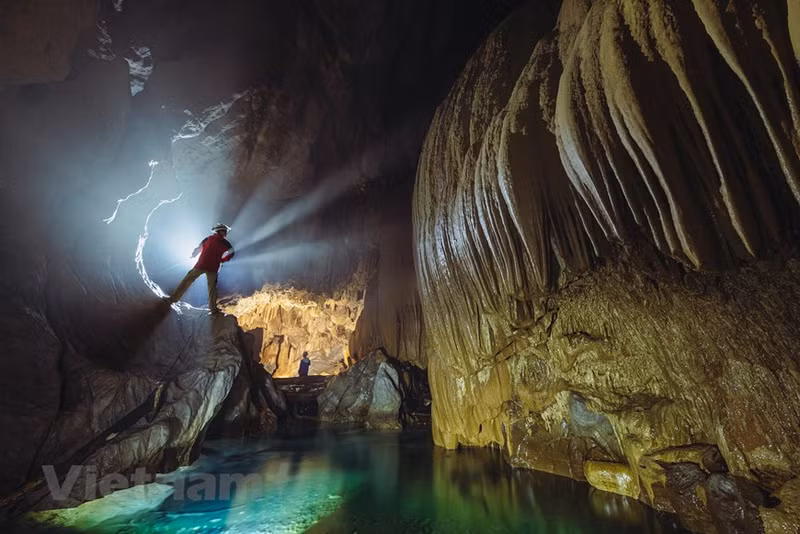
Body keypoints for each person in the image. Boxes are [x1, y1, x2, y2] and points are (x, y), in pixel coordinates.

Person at [167, 223, 234, 313]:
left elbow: (199, 248)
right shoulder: (226, 243)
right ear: (222, 231)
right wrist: (223, 260)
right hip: (213, 268)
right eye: (225, 232)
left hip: (201, 264)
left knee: (187, 280)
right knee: (212, 288)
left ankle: (173, 299)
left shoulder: (208, 239)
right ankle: (213, 309)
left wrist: (194, 255)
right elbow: (231, 253)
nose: (226, 234)